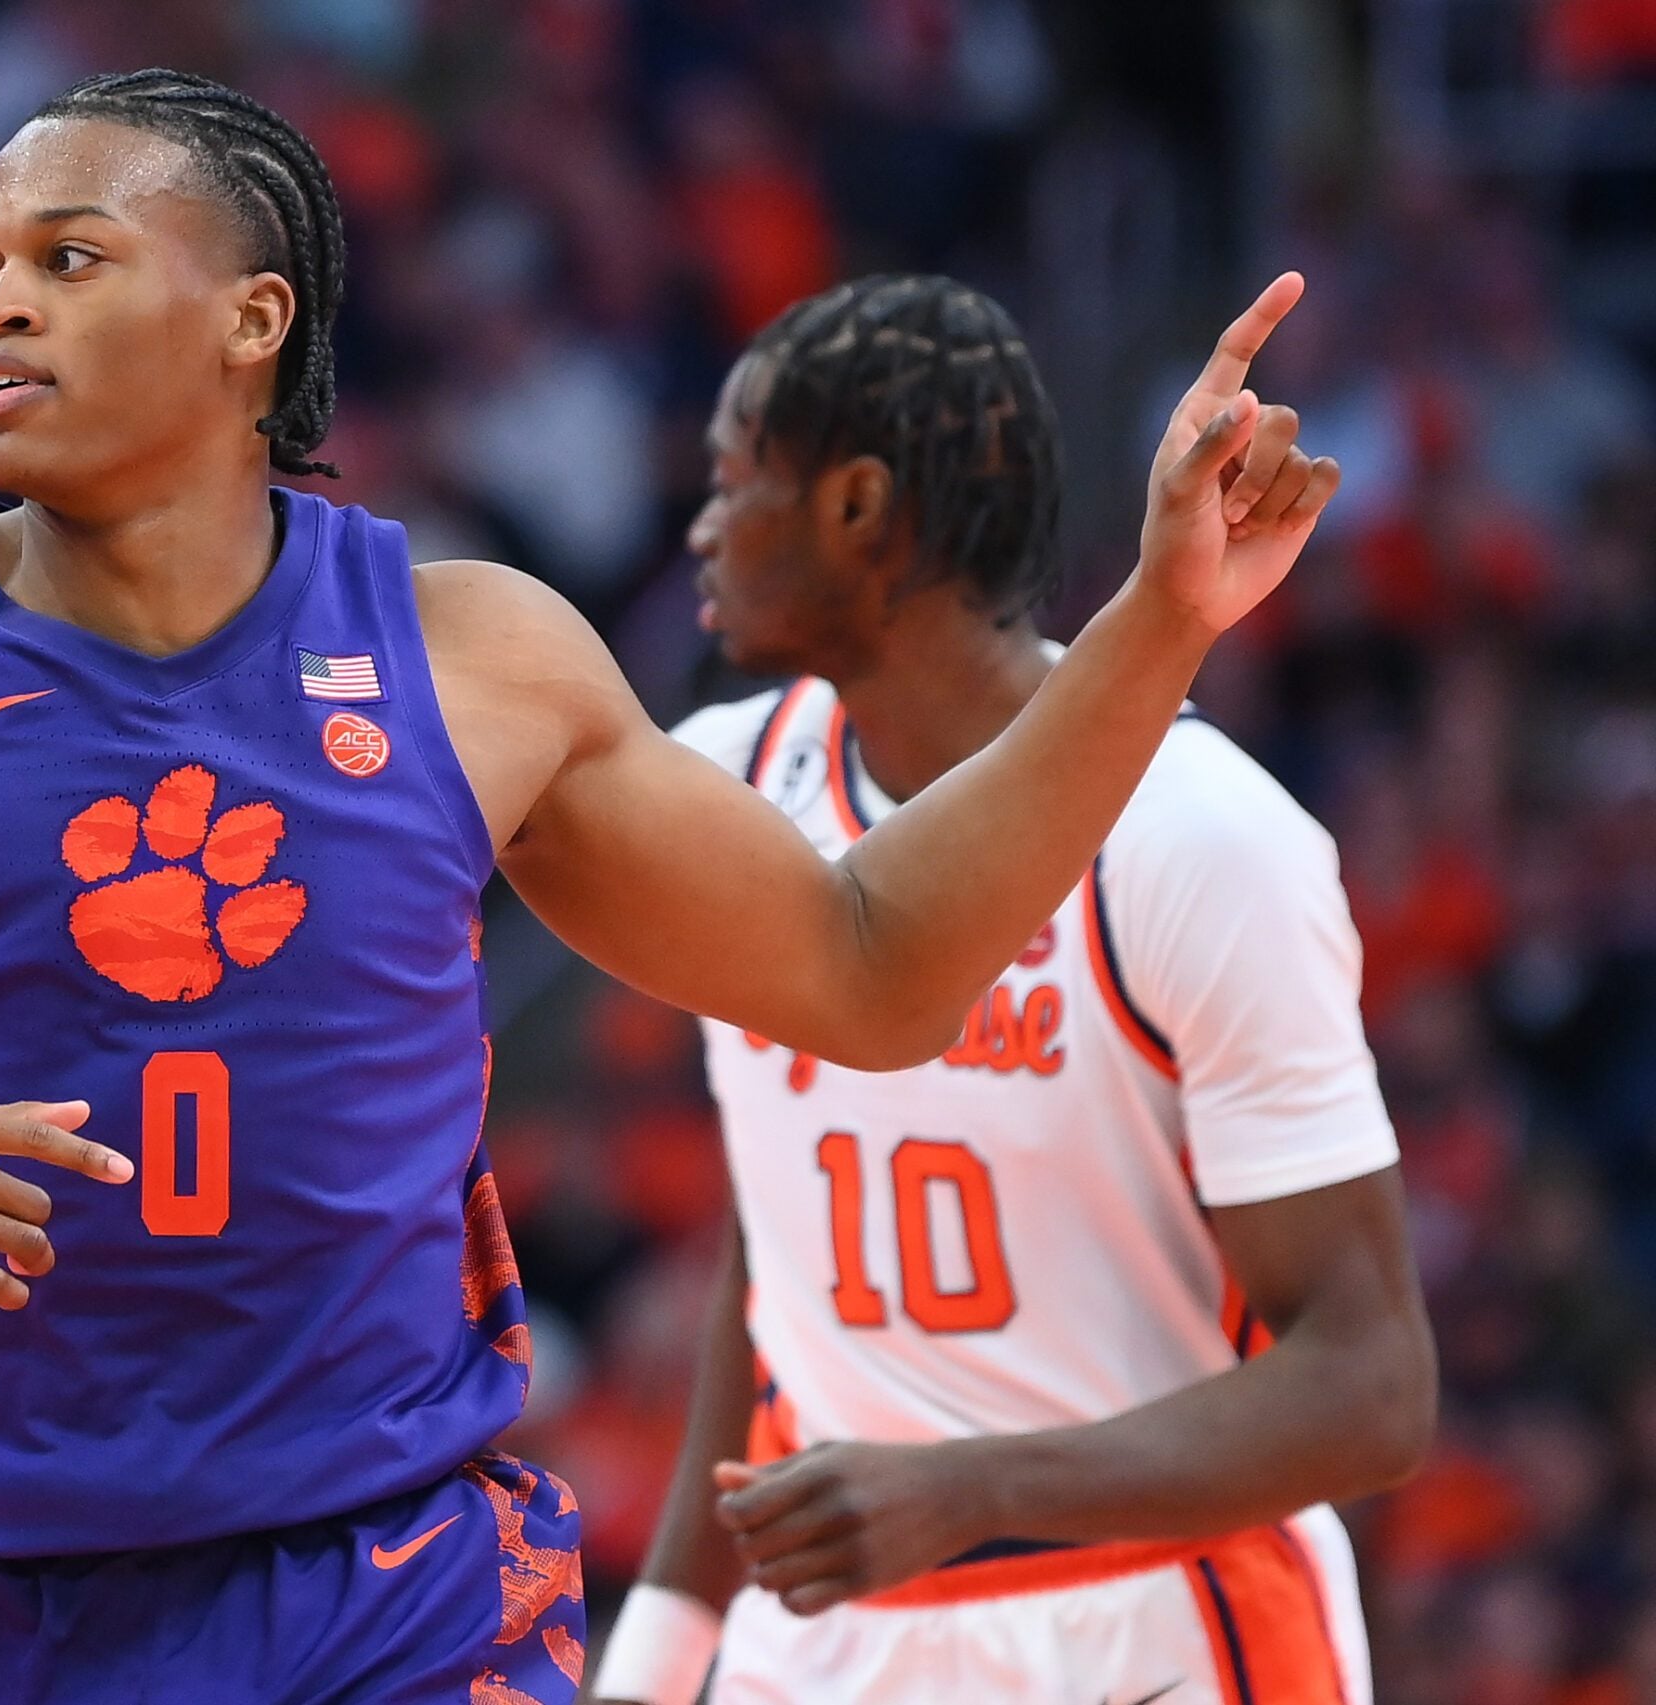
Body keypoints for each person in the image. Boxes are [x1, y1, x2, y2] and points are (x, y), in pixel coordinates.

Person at [0, 71, 1342, 1705]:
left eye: (69, 259)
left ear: (250, 323)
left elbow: (872, 969)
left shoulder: (476, 658)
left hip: (398, 1590)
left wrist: (1163, 616)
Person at [591, 277, 1433, 1705]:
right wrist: (658, 1661)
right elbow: (775, 1252)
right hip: (832, 1628)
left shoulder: (1202, 833)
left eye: (733, 483)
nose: (700, 530)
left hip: (1158, 1615)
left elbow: (1372, 1385)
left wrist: (972, 1487)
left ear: (859, 509)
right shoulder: (722, 781)